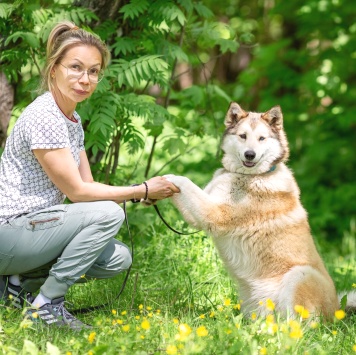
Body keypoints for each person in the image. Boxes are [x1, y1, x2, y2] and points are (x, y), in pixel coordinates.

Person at [0, 21, 179, 331]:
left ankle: (15, 285)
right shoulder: (44, 116)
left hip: (35, 232)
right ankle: (46, 305)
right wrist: (141, 189)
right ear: (53, 69)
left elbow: (86, 186)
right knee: (109, 213)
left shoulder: (72, 119)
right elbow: (79, 193)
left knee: (117, 258)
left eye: (93, 71)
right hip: (9, 232)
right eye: (76, 67)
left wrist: (141, 192)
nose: (85, 79)